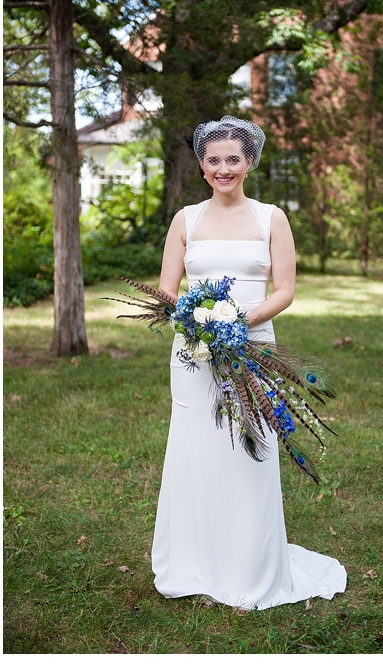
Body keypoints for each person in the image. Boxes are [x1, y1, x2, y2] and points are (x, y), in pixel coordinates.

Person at [152, 116, 347, 609]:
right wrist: (197, 322)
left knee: (248, 452)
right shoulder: (186, 221)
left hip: (253, 349)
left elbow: (285, 290)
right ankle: (195, 565)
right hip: (193, 356)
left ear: (250, 162)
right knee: (197, 452)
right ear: (201, 167)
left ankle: (247, 567)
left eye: (233, 160)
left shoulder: (270, 219)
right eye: (213, 161)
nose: (223, 169)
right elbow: (167, 291)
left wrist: (237, 322)